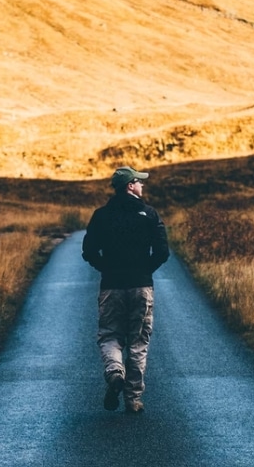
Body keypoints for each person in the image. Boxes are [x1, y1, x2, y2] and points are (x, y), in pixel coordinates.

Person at [82, 166, 170, 414]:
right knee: (138, 341)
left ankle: (114, 371)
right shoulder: (150, 214)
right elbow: (162, 252)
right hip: (141, 285)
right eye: (139, 182)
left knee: (110, 335)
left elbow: (88, 251)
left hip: (111, 285)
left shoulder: (101, 215)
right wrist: (145, 270)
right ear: (130, 186)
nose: (142, 186)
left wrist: (105, 268)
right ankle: (133, 400)